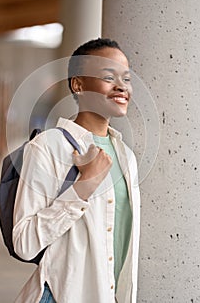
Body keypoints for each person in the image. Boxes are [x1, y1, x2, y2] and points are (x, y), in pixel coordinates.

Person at [13, 38, 140, 303]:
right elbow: (23, 244)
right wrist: (83, 186)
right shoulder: (47, 147)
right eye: (108, 76)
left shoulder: (126, 157)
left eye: (126, 78)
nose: (122, 86)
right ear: (78, 85)